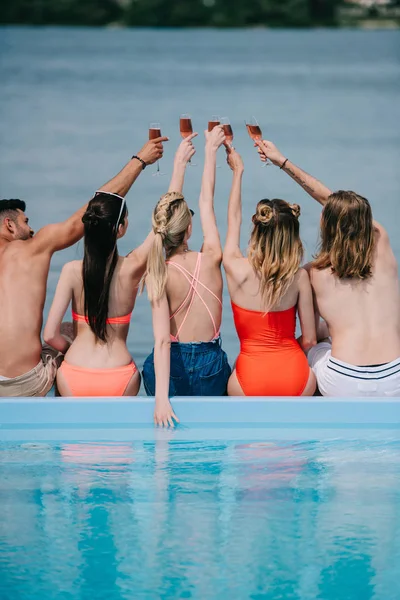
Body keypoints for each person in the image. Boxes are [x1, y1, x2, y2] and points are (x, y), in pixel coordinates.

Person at [0, 135, 167, 397]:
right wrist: (140, 161)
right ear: (9, 225)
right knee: (66, 339)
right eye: (25, 221)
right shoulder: (33, 248)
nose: (31, 229)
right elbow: (91, 212)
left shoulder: (64, 269)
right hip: (26, 381)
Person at [255, 138, 400, 397]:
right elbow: (334, 202)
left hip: (344, 381)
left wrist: (283, 163)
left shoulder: (313, 273)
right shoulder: (383, 245)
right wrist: (282, 162)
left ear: (329, 226)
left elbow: (310, 336)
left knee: (317, 347)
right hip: (395, 377)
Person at [143, 127, 231, 426]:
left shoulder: (158, 270)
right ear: (189, 228)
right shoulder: (212, 257)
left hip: (172, 368)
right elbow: (207, 200)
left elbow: (162, 342)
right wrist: (210, 151)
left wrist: (161, 400)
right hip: (210, 366)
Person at [223, 146, 317, 397]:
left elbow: (233, 219)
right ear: (291, 237)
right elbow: (309, 341)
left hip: (249, 377)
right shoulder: (299, 278)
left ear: (257, 230)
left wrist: (238, 172)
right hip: (295, 375)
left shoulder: (235, 267)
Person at [44, 188, 157, 396]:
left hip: (73, 374)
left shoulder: (71, 271)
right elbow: (162, 225)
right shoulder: (132, 268)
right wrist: (179, 167)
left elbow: (50, 335)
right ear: (120, 228)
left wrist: (72, 346)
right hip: (120, 375)